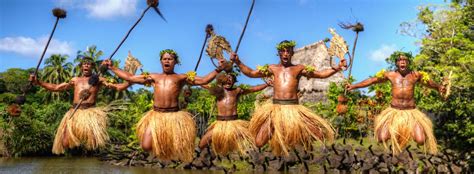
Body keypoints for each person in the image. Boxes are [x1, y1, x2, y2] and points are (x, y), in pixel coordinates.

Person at [102, 49, 223, 162]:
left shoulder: (181, 77)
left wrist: (218, 69)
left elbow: (203, 80)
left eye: (170, 59)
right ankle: (161, 148)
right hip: (156, 116)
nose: (167, 61)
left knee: (179, 147)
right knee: (145, 146)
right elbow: (131, 77)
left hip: (174, 116)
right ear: (161, 61)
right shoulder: (153, 77)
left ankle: (172, 154)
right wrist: (112, 67)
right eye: (164, 59)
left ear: (175, 62)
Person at [231, 40, 346, 156]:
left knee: (320, 134)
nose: (285, 54)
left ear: (292, 53)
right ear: (279, 53)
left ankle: (299, 137)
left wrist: (337, 68)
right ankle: (279, 135)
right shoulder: (272, 68)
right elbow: (251, 73)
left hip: (294, 109)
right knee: (259, 142)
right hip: (276, 109)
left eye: (288, 51)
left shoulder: (299, 68)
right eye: (283, 51)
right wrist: (238, 62)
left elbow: (321, 74)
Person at [346, 53, 445, 154]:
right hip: (393, 112)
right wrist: (354, 86)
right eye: (400, 60)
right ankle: (396, 137)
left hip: (411, 112)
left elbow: (429, 83)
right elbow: (372, 80)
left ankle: (406, 136)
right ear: (396, 63)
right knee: (381, 138)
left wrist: (438, 87)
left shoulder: (416, 75)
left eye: (405, 60)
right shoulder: (390, 75)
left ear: (408, 62)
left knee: (420, 140)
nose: (402, 62)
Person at [29, 57, 130, 154]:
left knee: (93, 143)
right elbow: (56, 87)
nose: (86, 65)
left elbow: (117, 87)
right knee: (65, 142)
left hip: (90, 113)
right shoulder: (75, 80)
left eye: (88, 64)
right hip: (74, 112)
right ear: (81, 67)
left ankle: (89, 146)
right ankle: (77, 146)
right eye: (84, 64)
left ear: (92, 67)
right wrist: (38, 82)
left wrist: (130, 81)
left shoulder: (99, 79)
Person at [198, 72, 269, 156]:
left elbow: (253, 89)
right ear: (222, 81)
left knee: (252, 138)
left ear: (234, 82)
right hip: (220, 124)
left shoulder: (237, 91)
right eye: (227, 79)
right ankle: (196, 154)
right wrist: (192, 79)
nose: (229, 81)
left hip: (234, 124)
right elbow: (203, 84)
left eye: (231, 79)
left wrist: (266, 84)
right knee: (203, 142)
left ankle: (258, 149)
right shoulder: (218, 90)